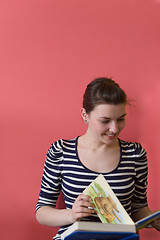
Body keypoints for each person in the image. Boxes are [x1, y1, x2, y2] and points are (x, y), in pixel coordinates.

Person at [36, 77, 160, 239]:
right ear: (85, 115)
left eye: (120, 119)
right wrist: (71, 215)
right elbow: (42, 211)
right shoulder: (61, 151)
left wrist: (152, 218)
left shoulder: (135, 155)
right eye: (105, 121)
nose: (114, 129)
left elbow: (138, 208)